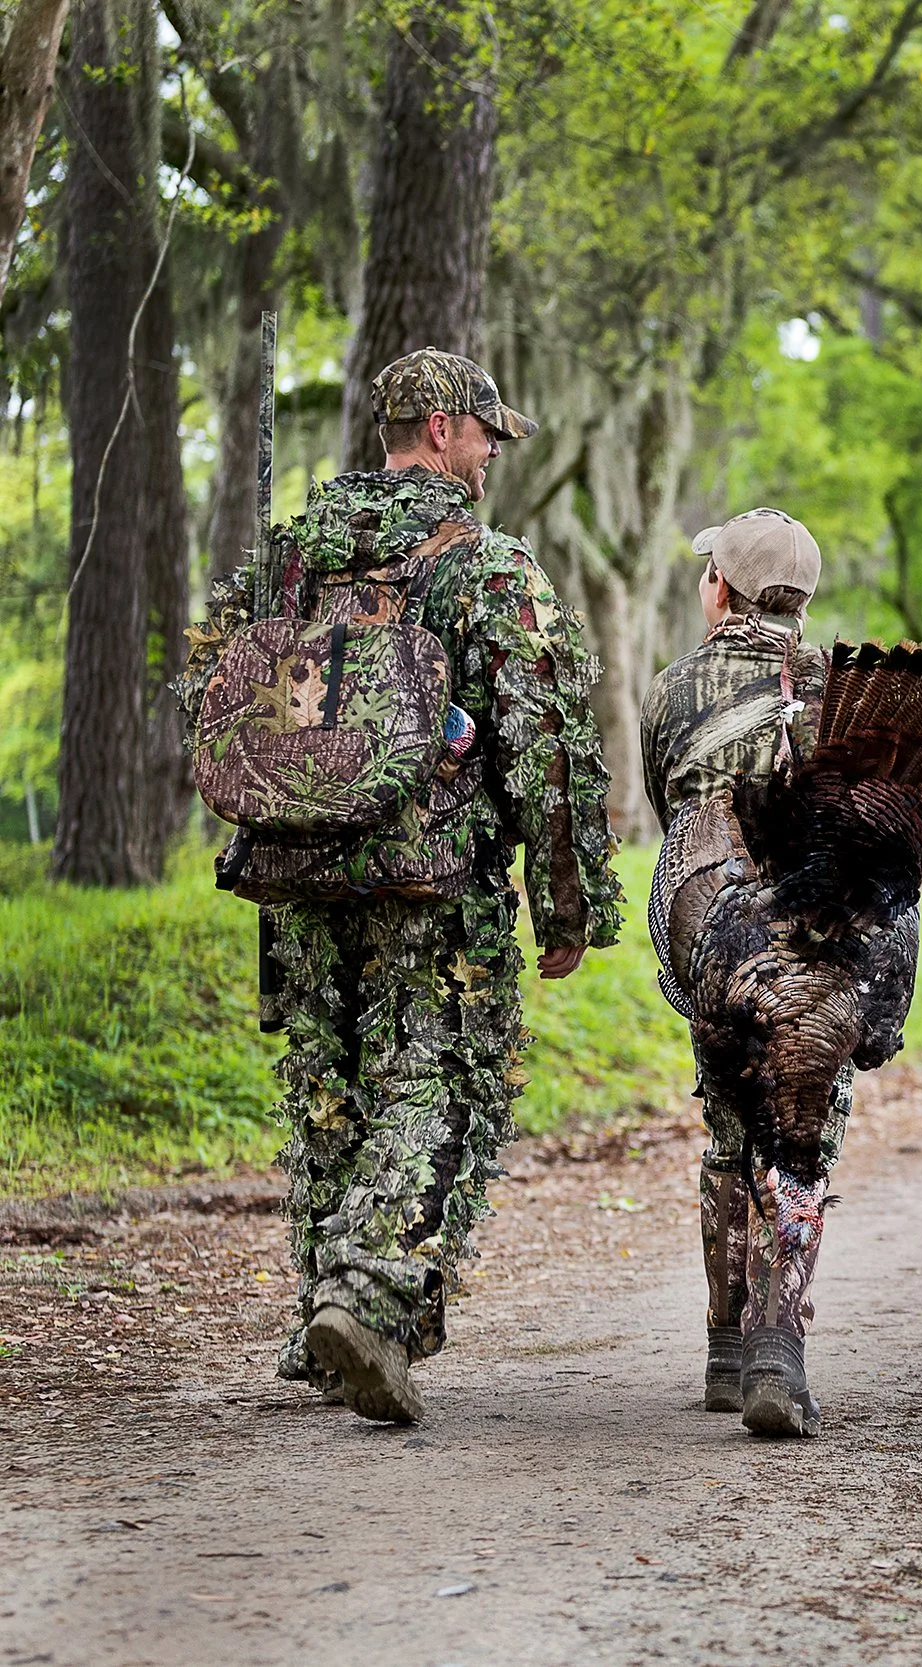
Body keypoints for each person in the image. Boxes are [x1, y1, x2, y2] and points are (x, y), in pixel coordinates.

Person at [181, 348, 623, 1423]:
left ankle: (316, 1313)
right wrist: (569, 903)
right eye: (483, 434)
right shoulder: (488, 570)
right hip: (435, 883)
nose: (490, 455)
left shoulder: (285, 558)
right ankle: (369, 1301)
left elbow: (210, 689)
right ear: (439, 430)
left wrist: (308, 777)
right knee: (441, 1077)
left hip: (297, 869)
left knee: (328, 1085)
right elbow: (546, 744)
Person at [638, 508, 856, 1435]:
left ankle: (727, 1352)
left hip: (714, 935)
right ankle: (778, 1350)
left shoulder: (674, 690)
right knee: (801, 1134)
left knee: (730, 1132)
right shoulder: (844, 694)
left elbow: (664, 808)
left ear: (720, 588)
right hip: (820, 944)